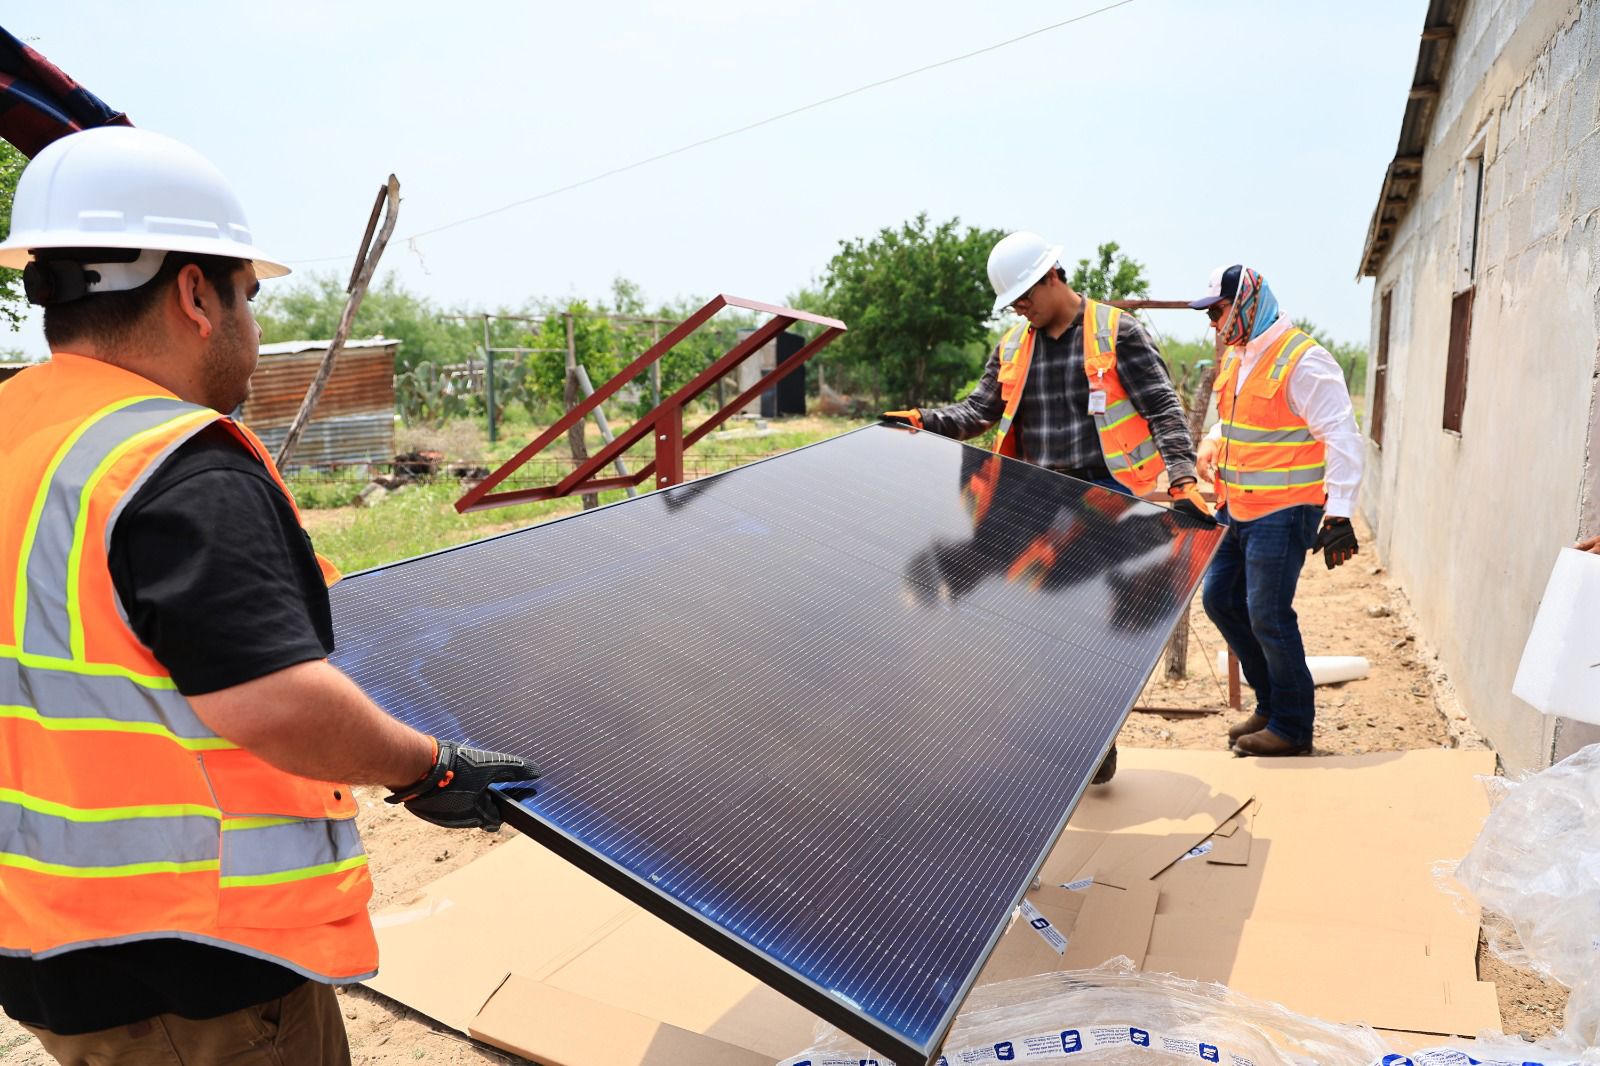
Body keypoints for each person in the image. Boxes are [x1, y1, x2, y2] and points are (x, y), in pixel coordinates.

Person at [0, 127, 539, 1065]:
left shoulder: (19, 429)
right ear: (194, 295)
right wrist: (426, 767)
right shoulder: (173, 463)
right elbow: (272, 700)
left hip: (47, 940)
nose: (253, 325)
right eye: (248, 294)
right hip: (192, 968)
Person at [884, 231, 1212, 784]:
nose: (1020, 309)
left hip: (1103, 500)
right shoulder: (1013, 347)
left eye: (1025, 297)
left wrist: (1181, 476)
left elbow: (1162, 407)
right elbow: (977, 411)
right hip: (1032, 499)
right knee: (1036, 628)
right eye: (1012, 303)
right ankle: (1062, 743)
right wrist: (925, 420)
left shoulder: (1117, 333)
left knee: (1088, 630)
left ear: (1052, 276)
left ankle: (1091, 741)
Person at [1189, 264, 1364, 757]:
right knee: (1220, 600)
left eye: (1218, 312)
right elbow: (1236, 418)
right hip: (1236, 507)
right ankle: (1270, 705)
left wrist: (1340, 512)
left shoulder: (1303, 360)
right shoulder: (1239, 357)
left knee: (1267, 613)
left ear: (1246, 304)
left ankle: (1292, 726)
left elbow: (1342, 437)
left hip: (1284, 511)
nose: (1213, 323)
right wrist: (1211, 440)